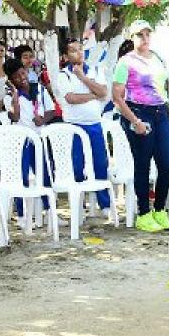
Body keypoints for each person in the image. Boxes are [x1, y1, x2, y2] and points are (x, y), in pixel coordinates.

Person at [112, 20, 169, 233]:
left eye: (147, 34)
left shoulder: (157, 58)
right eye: (140, 35)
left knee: (167, 164)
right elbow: (117, 97)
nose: (145, 38)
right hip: (139, 112)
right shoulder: (125, 62)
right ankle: (144, 213)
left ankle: (160, 209)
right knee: (142, 163)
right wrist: (134, 121)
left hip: (161, 112)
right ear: (132, 38)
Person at [54, 38, 113, 215]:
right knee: (77, 165)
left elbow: (104, 92)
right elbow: (71, 98)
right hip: (74, 126)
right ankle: (79, 204)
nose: (79, 53)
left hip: (95, 124)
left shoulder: (95, 70)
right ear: (66, 56)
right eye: (73, 50)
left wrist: (82, 78)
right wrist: (93, 95)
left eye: (80, 48)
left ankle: (104, 204)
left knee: (100, 163)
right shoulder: (63, 75)